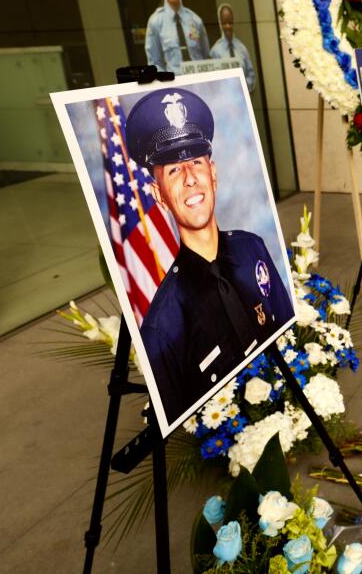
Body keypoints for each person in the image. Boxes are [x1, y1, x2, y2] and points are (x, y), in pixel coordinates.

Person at [125, 87, 294, 421]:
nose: (190, 179)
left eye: (196, 162)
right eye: (173, 170)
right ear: (158, 194)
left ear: (213, 174)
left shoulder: (253, 248)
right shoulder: (163, 326)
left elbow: (285, 328)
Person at [145, 0, 211, 72]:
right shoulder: (155, 23)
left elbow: (206, 57)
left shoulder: (195, 20)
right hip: (175, 87)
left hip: (200, 85)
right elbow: (155, 63)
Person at [210, 3, 257, 92]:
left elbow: (251, 75)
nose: (227, 26)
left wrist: (243, 85)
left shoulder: (242, 48)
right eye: (224, 23)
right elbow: (214, 83)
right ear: (220, 24)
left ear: (233, 22)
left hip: (244, 98)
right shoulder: (215, 51)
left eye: (230, 22)